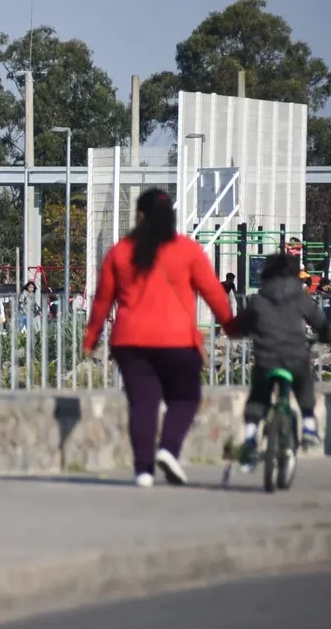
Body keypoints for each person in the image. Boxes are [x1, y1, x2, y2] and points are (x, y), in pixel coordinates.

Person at [83, 188, 234, 488]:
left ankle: (143, 471)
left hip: (130, 341)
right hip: (177, 341)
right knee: (185, 397)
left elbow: (102, 301)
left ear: (139, 216)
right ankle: (168, 449)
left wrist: (91, 338)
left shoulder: (120, 252)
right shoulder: (187, 250)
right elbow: (214, 293)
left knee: (143, 403)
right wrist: (230, 325)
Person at [225, 253, 331, 476]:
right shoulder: (300, 297)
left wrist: (238, 331)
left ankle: (249, 438)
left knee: (259, 394)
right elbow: (320, 323)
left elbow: (241, 324)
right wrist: (330, 337)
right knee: (304, 382)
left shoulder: (259, 299)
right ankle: (308, 425)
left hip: (266, 358)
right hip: (295, 356)